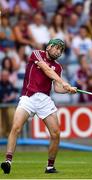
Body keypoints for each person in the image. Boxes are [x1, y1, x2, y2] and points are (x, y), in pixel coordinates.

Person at [1, 38, 77, 174]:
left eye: (61, 50)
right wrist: (63, 81)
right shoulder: (36, 54)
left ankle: (50, 166)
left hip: (45, 100)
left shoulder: (58, 67)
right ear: (49, 47)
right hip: (28, 97)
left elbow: (58, 88)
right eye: (57, 48)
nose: (59, 51)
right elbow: (46, 70)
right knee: (16, 127)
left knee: (56, 133)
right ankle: (8, 161)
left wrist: (68, 89)